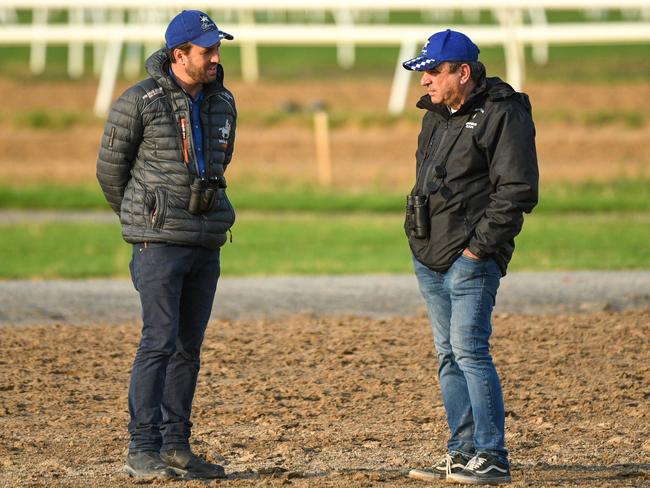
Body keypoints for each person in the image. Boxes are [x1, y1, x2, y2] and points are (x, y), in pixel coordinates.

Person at [96, 10, 237, 480]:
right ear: (180, 55)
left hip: (206, 240)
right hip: (157, 242)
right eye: (207, 51)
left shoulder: (225, 102)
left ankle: (177, 445)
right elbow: (110, 172)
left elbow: (221, 160)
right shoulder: (138, 100)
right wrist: (145, 219)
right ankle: (142, 447)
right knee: (158, 340)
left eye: (217, 49)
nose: (216, 57)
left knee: (187, 348)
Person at [402, 30, 538, 485]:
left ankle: (492, 456)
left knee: (470, 352)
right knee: (447, 355)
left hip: (471, 259)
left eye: (433, 72)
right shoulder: (436, 117)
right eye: (423, 73)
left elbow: (517, 190)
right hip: (430, 256)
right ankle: (461, 452)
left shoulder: (504, 113)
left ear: (463, 72)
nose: (424, 82)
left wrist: (478, 249)